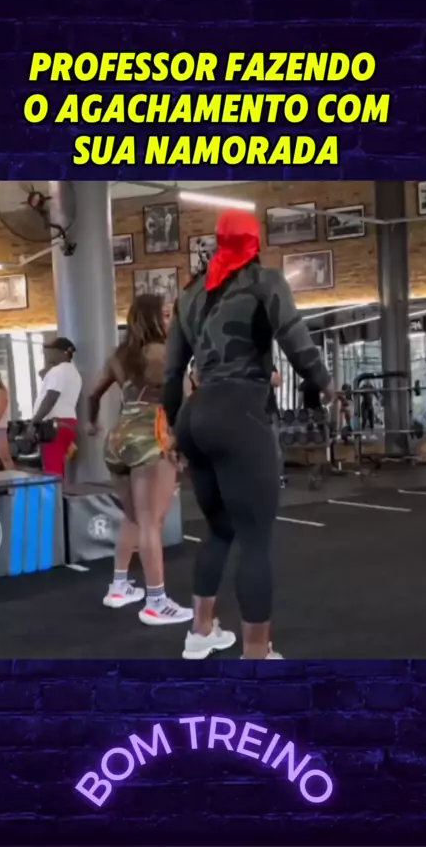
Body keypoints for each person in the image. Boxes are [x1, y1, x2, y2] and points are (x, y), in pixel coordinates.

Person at [162, 209, 334, 660]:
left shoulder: (189, 293)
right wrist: (327, 385)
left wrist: (175, 431)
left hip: (196, 416)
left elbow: (172, 373)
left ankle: (201, 631)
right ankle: (257, 654)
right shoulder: (264, 281)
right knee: (255, 541)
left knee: (220, 529)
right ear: (254, 242)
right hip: (239, 411)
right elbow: (296, 340)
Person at [87, 293, 192, 627]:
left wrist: (91, 423)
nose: (170, 320)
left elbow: (92, 394)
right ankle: (156, 602)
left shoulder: (119, 356)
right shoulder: (166, 353)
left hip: (118, 437)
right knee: (151, 522)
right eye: (166, 314)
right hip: (152, 435)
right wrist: (183, 445)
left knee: (133, 517)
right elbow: (186, 402)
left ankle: (119, 586)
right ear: (151, 318)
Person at [30, 337, 82, 477]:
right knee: (57, 466)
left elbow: (51, 397)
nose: (49, 354)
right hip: (68, 423)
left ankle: (55, 492)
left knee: (52, 470)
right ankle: (60, 491)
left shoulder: (58, 371)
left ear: (63, 353)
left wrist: (34, 422)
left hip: (54, 424)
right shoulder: (74, 372)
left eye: (52, 351)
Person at [267, 365, 287, 488]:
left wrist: (263, 374)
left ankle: (279, 477)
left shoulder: (265, 364)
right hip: (251, 412)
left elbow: (277, 382)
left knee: (275, 446)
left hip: (269, 411)